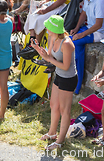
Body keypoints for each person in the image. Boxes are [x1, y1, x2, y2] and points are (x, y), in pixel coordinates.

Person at [32, 15, 76, 151]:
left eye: (49, 27)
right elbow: (49, 56)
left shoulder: (67, 44)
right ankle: (52, 133)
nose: (46, 29)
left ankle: (60, 141)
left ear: (55, 30)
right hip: (59, 75)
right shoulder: (52, 38)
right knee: (53, 105)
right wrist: (38, 49)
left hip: (68, 79)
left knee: (65, 110)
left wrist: (48, 58)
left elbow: (65, 66)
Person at [69, 0, 104, 94]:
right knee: (69, 39)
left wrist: (81, 34)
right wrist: (77, 28)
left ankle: (78, 81)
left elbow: (98, 25)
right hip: (88, 28)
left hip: (99, 33)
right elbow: (84, 13)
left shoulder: (99, 2)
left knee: (76, 43)